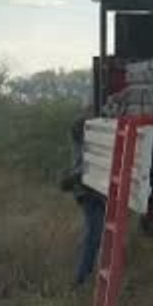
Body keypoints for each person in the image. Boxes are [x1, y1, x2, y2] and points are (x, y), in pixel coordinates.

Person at [59, 102, 106, 288]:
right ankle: (80, 280)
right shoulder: (80, 126)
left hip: (90, 187)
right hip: (86, 188)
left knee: (93, 232)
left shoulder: (86, 127)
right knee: (93, 234)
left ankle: (83, 276)